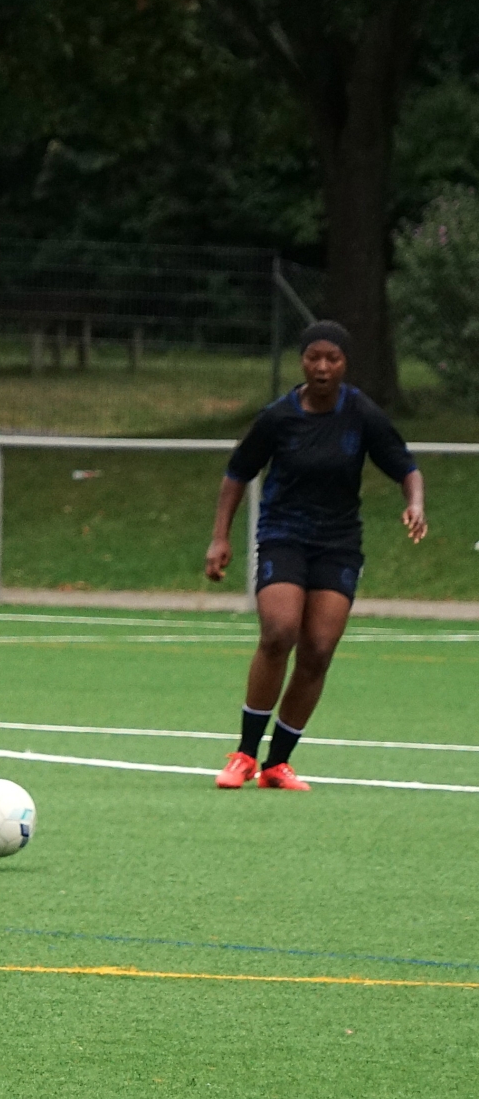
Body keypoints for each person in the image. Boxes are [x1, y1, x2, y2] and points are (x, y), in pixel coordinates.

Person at [206, 321, 426, 791]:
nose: (323, 367)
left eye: (333, 358)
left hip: (338, 543)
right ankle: (245, 754)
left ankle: (277, 764)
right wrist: (219, 538)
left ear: (345, 364)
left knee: (319, 650)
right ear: (302, 362)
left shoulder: (362, 414)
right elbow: (237, 473)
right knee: (279, 633)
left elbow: (406, 468)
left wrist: (415, 503)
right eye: (314, 357)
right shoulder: (278, 417)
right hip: (284, 535)